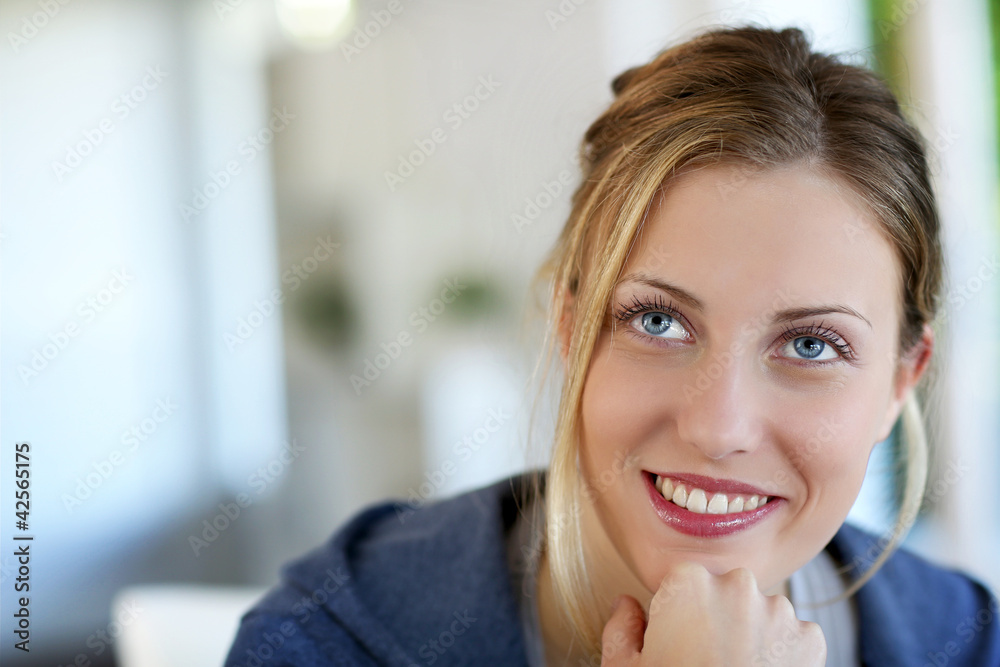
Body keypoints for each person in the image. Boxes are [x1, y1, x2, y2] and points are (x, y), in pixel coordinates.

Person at [224, 24, 1000, 666]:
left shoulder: (966, 642)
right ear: (571, 328)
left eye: (811, 344)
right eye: (658, 321)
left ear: (901, 383)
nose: (718, 427)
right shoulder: (328, 643)